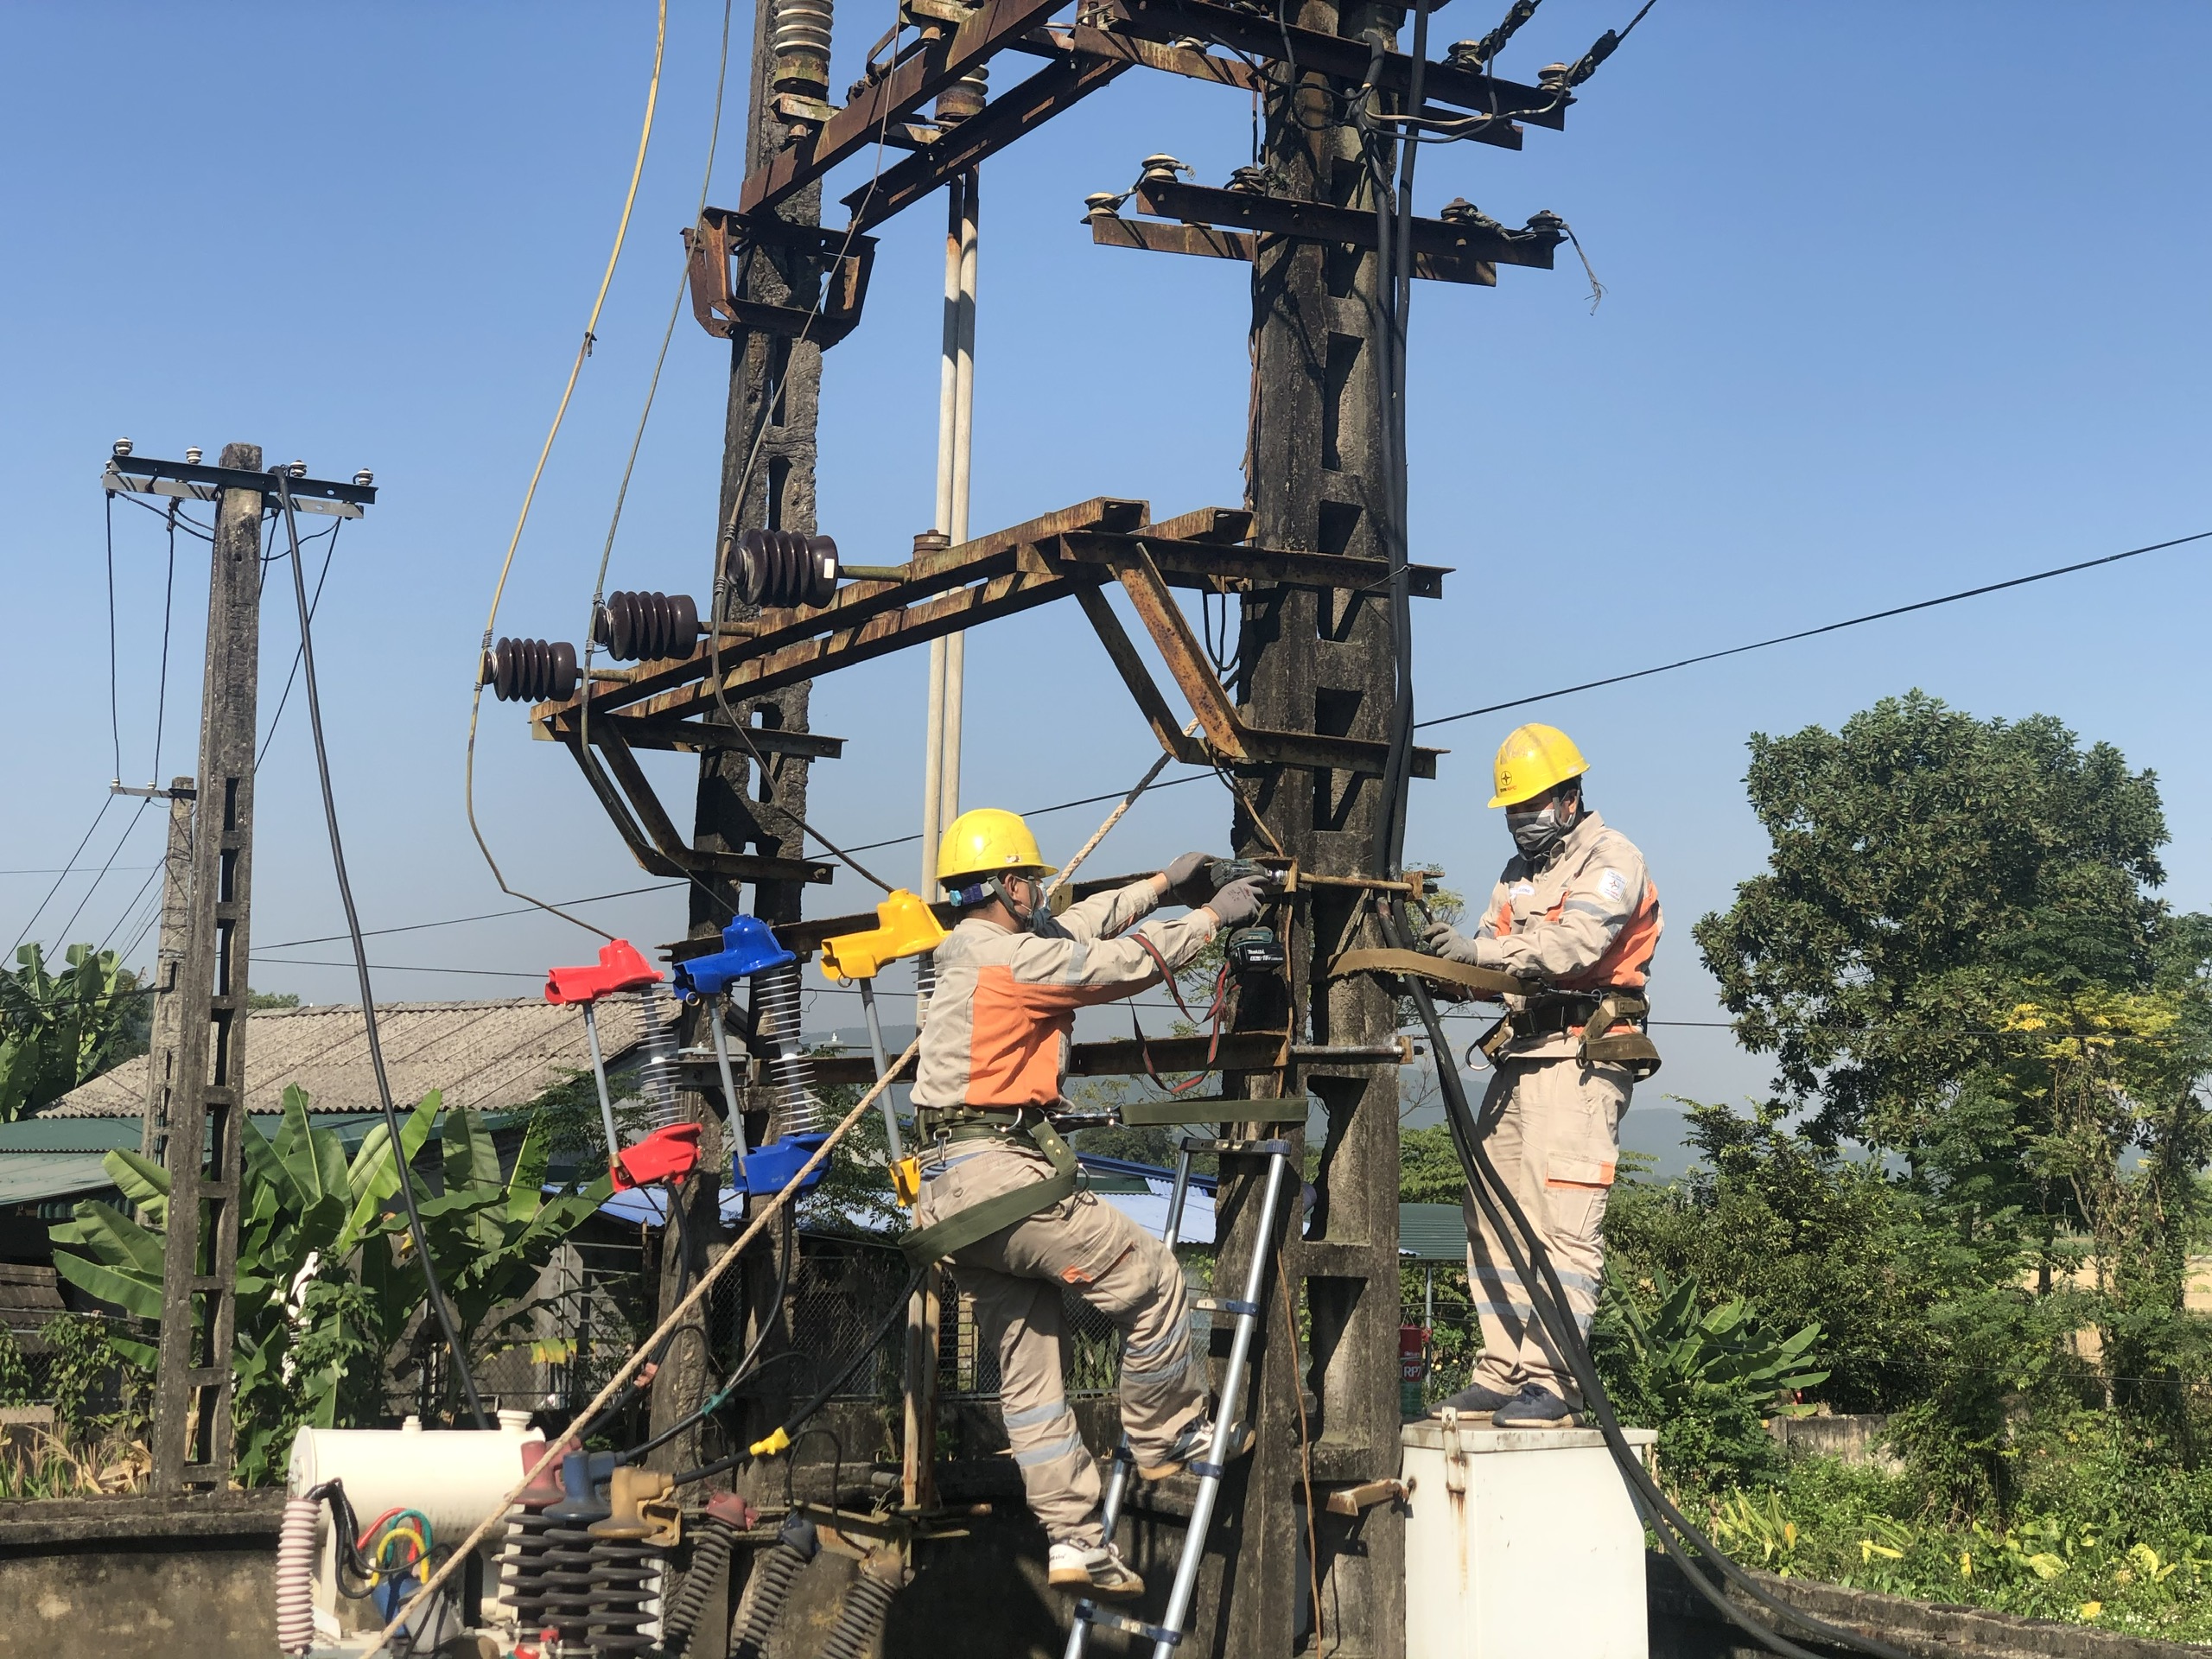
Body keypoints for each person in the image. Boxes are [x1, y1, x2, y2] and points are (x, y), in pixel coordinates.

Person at [906, 808, 1277, 1599]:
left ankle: (1075, 1541)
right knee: (1151, 1280)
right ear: (1008, 884)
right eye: (1029, 880)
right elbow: (1109, 967)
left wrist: (1160, 885)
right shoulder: (1009, 963)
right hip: (1001, 1180)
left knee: (1030, 1371)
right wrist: (1211, 918)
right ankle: (1168, 1431)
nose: (1036, 890)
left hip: (947, 1200)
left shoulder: (962, 955)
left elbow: (1071, 932)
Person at [1416, 724, 1662, 1427]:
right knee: (1493, 1215)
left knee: (1563, 1223)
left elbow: (1574, 943)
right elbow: (1494, 962)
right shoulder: (1517, 876)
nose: (1521, 819)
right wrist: (1443, 971)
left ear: (1570, 795)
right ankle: (1501, 1371)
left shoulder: (1613, 859)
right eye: (1512, 808)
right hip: (1521, 1055)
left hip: (1581, 1057)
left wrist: (1482, 958)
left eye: (1532, 804)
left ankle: (1554, 1381)